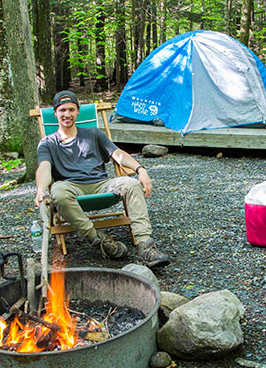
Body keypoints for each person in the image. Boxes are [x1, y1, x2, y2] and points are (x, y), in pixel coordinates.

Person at [34, 90, 170, 268]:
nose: (67, 114)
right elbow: (44, 167)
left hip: (101, 184)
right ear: (55, 113)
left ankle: (146, 246)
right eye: (62, 110)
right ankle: (100, 241)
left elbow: (118, 154)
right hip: (71, 187)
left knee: (131, 184)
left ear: (77, 112)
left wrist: (140, 169)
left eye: (71, 110)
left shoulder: (93, 133)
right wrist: (40, 189)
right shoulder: (48, 143)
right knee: (57, 192)